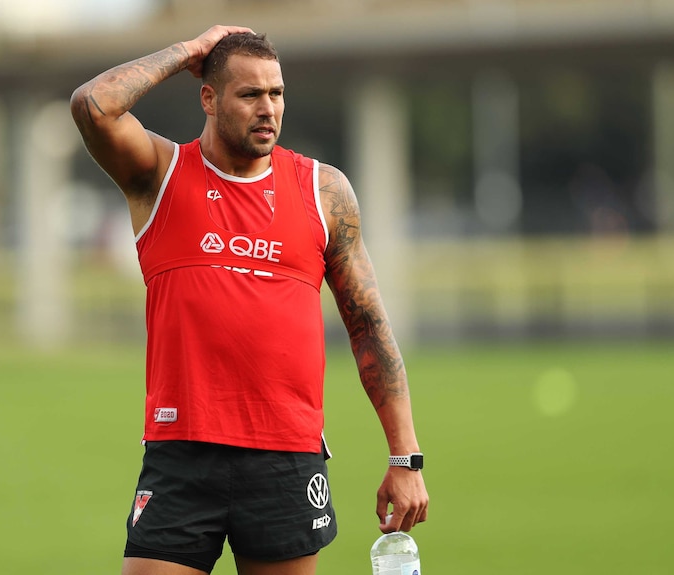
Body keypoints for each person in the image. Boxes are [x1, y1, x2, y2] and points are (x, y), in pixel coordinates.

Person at [70, 25, 428, 575]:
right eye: (250, 94)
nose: (268, 109)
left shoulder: (323, 191)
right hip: (182, 451)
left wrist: (405, 457)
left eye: (277, 93)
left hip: (285, 455)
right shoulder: (159, 174)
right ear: (208, 98)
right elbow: (93, 108)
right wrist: (190, 51)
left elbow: (369, 325)